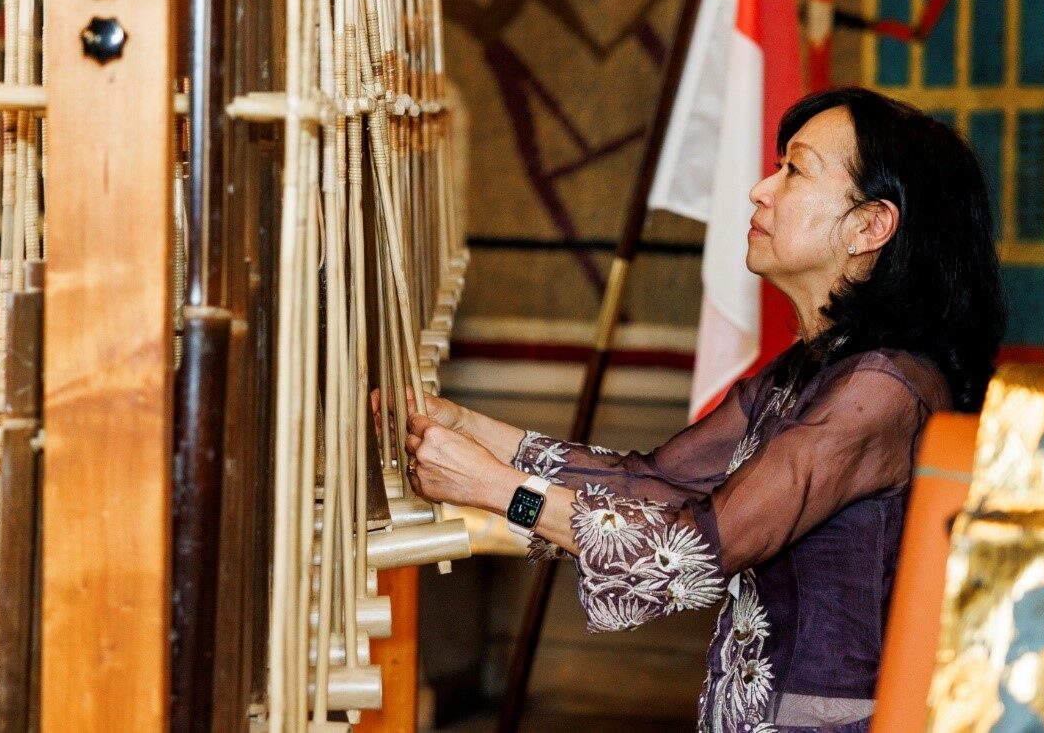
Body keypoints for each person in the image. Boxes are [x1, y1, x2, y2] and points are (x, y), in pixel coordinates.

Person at [386, 86, 1006, 732]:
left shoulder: (883, 388)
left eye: (794, 170)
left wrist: (495, 486)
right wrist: (473, 431)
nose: (761, 190)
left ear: (870, 226)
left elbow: (701, 545)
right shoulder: (811, 368)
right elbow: (652, 481)